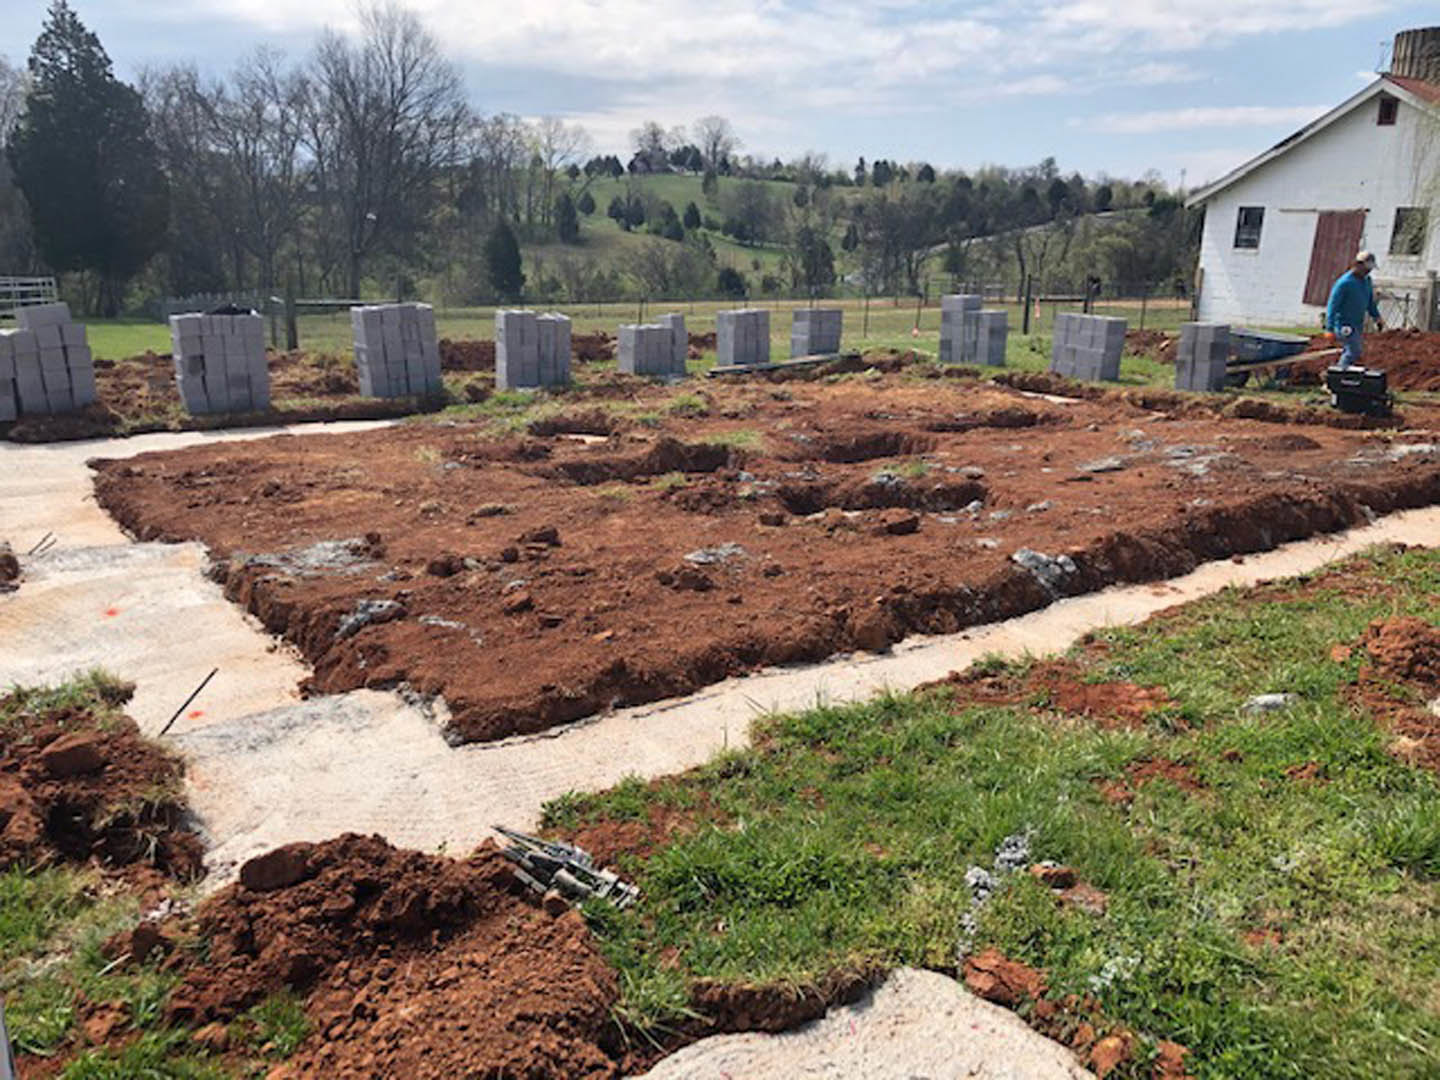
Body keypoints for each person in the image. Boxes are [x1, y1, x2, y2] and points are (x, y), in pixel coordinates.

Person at [1325, 250, 1384, 368]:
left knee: (1352, 351)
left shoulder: (1367, 281)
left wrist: (1377, 317)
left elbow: (1369, 302)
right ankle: (1338, 374)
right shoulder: (1344, 283)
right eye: (1366, 268)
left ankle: (1341, 371)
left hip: (1357, 325)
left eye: (1370, 269)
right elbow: (1332, 306)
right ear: (1358, 265)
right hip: (1343, 325)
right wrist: (1329, 329)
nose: (1368, 271)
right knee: (1354, 350)